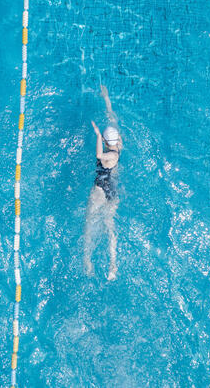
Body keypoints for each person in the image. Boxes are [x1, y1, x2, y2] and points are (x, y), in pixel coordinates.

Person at [84, 85, 122, 281]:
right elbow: (112, 118)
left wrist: (98, 135)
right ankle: (112, 266)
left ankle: (88, 262)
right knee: (110, 227)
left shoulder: (109, 156)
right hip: (112, 190)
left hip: (100, 189)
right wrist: (106, 98)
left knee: (89, 223)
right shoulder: (119, 144)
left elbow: (99, 155)